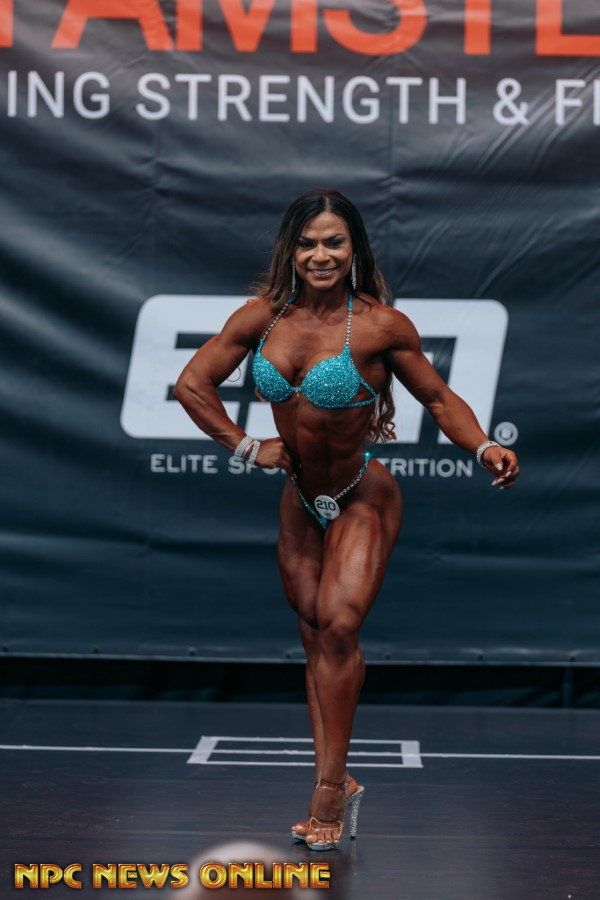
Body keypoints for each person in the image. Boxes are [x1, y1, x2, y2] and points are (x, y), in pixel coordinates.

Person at [173, 188, 520, 851]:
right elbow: (193, 384)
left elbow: (439, 399)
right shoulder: (262, 318)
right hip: (301, 497)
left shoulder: (381, 326)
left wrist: (483, 448)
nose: (320, 255)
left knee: (338, 625)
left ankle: (329, 794)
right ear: (291, 251)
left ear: (353, 248)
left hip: (363, 493)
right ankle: (338, 777)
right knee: (313, 632)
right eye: (308, 243)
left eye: (333, 242)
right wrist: (245, 447)